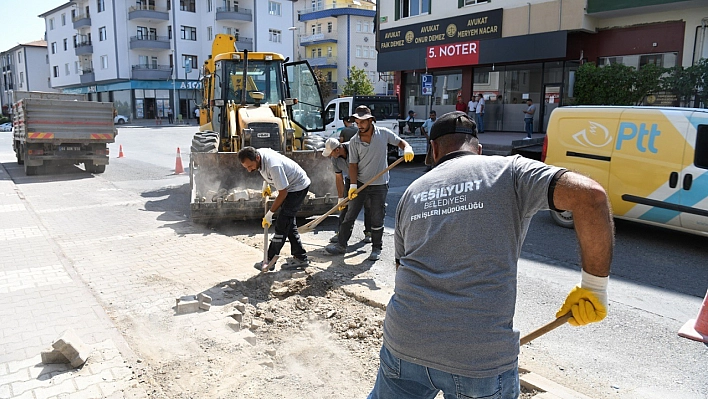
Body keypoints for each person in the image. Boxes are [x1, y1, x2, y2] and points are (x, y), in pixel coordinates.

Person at [368, 111, 614, 399]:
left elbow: (402, 269)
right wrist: (594, 289)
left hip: (405, 340)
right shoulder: (509, 171)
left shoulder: (413, 192)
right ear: (478, 148)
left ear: (433, 150)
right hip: (478, 358)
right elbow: (590, 196)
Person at [325, 105, 414, 261]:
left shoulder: (384, 134)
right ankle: (341, 245)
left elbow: (401, 143)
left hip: (380, 184)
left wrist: (408, 148)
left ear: (371, 120)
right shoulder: (354, 142)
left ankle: (376, 248)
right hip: (360, 183)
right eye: (357, 122)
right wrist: (353, 185)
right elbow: (352, 164)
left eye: (362, 122)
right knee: (350, 214)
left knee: (377, 215)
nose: (359, 125)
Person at [238, 146, 312, 271]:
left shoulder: (273, 166)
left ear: (257, 158)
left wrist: (269, 214)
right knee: (289, 223)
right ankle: (300, 257)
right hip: (289, 187)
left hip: (297, 187)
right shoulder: (260, 155)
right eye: (246, 168)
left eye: (250, 166)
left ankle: (269, 261)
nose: (249, 170)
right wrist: (266, 184)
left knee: (282, 225)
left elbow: (283, 193)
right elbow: (266, 172)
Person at [322, 137, 372, 244]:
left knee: (369, 205)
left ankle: (369, 232)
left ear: (337, 150)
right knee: (345, 206)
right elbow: (339, 178)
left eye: (331, 153)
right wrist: (341, 197)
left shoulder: (354, 148)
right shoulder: (335, 159)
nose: (330, 156)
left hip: (366, 179)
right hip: (350, 179)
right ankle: (341, 233)